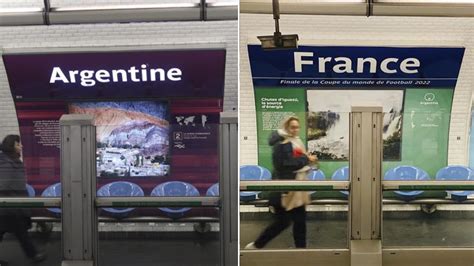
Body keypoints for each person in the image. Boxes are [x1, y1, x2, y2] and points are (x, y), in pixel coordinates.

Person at [245, 116, 318, 249]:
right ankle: (257, 245)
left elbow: (296, 161)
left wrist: (306, 160)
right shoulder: (282, 144)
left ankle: (301, 250)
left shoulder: (296, 141)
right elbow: (285, 164)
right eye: (292, 127)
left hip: (297, 189)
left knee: (300, 222)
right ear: (286, 128)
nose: (295, 130)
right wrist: (306, 159)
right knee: (283, 222)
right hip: (285, 190)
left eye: (297, 127)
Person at [0, 135, 46, 263]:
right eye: (18, 144)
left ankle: (33, 254)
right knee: (20, 232)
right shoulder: (7, 163)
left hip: (12, 205)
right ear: (11, 147)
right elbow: (3, 184)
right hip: (9, 206)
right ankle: (33, 255)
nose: (21, 146)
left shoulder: (11, 160)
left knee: (18, 232)